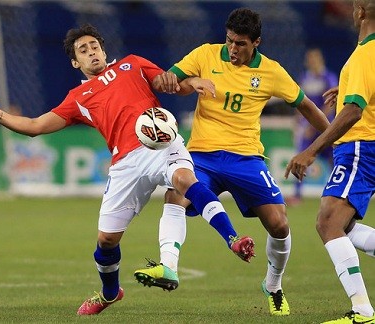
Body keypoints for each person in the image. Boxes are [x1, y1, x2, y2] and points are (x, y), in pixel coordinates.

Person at [0, 24, 255, 316]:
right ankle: (110, 293)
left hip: (162, 142)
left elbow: (166, 82)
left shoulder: (132, 63)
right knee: (106, 240)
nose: (91, 51)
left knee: (185, 180)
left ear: (104, 49)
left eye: (94, 45)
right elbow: (35, 126)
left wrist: (189, 81)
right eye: (83, 50)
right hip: (125, 165)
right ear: (75, 62)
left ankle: (234, 239)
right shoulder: (78, 98)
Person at [136, 8, 331, 317]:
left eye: (240, 43)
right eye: (229, 41)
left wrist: (332, 140)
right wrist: (189, 81)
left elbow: (306, 106)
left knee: (279, 224)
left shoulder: (271, 71)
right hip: (201, 154)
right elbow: (170, 82)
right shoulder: (205, 54)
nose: (233, 49)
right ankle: (168, 267)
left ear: (256, 42)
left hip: (246, 158)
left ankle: (273, 285)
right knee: (175, 193)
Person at [285, 0, 375, 323]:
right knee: (344, 226)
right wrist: (350, 88)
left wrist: (311, 150)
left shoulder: (365, 54)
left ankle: (363, 311)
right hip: (364, 147)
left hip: (359, 147)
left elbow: (353, 112)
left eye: (354, 7)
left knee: (328, 222)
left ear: (361, 13)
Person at [287, 47, 338, 206]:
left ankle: (337, 193)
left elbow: (331, 104)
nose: (311, 62)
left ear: (320, 60)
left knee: (334, 161)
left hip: (324, 127)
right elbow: (300, 102)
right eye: (309, 59)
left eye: (313, 59)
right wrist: (297, 122)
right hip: (307, 127)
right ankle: (297, 194)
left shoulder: (328, 78)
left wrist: (316, 124)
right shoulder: (305, 78)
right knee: (301, 158)